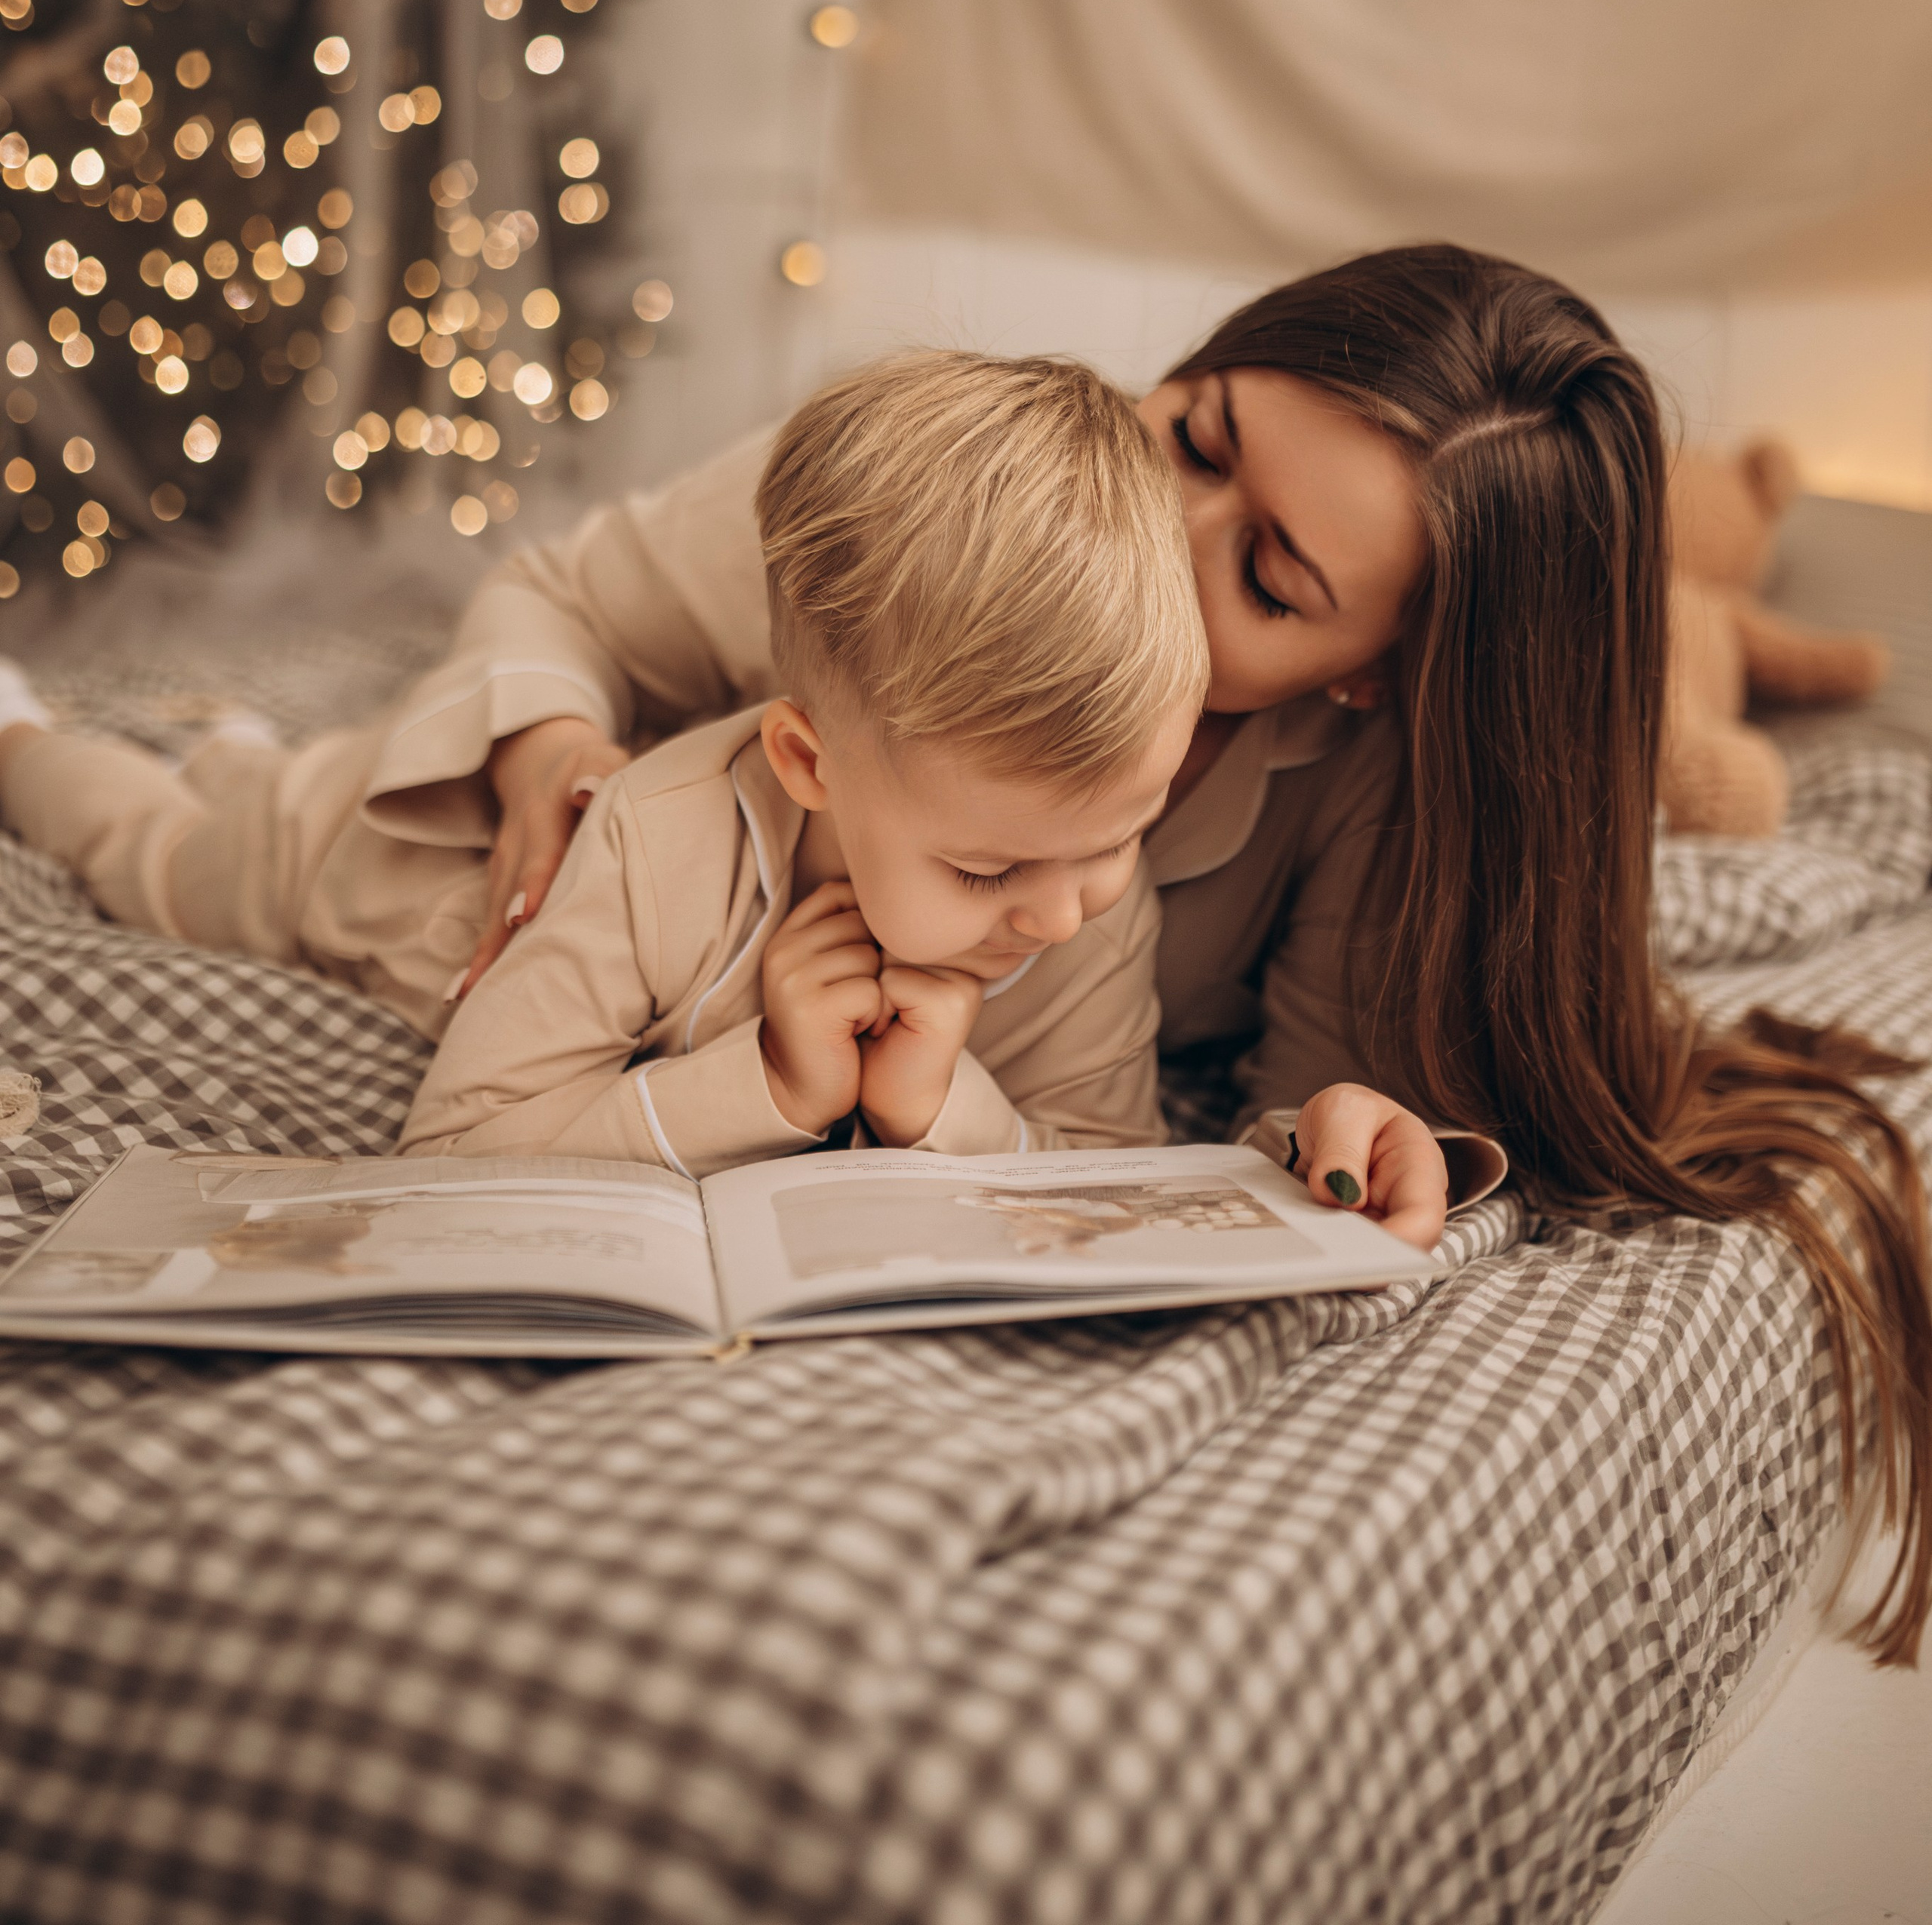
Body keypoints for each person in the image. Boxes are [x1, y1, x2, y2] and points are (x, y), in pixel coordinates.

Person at [358, 240, 1931, 1664]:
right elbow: (560, 593)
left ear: (1365, 681)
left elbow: (1279, 1117)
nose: (1166, 535)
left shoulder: (1369, 787)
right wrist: (551, 756)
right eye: (1192, 439)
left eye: (1263, 579)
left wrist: (1337, 1136)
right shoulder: (933, 511)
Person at [0, 350, 1458, 1226]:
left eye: (1120, 843)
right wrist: (757, 1085)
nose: (1066, 917)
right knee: (159, 848)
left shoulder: (1076, 878)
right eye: (984, 876)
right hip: (383, 887)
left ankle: (231, 742)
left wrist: (940, 1108)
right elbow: (458, 1142)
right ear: (810, 760)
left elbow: (1098, 1162)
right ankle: (45, 741)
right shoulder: (666, 832)